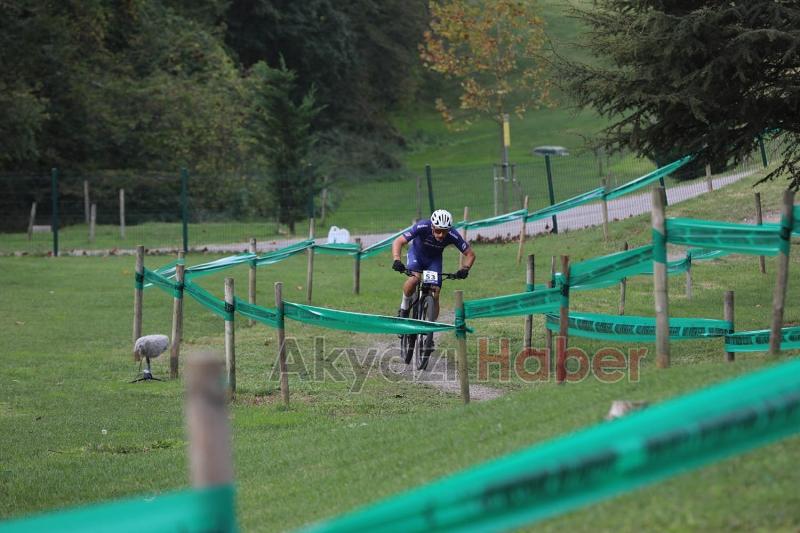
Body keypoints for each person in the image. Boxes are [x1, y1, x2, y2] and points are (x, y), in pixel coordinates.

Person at [391, 209, 476, 320]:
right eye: (438, 230)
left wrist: (465, 268)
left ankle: (431, 324)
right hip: (416, 255)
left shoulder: (452, 234)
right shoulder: (422, 226)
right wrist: (397, 260)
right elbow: (398, 241)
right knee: (414, 279)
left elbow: (470, 254)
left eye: (444, 231)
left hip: (433, 260)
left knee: (436, 291)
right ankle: (404, 307)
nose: (441, 235)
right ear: (432, 227)